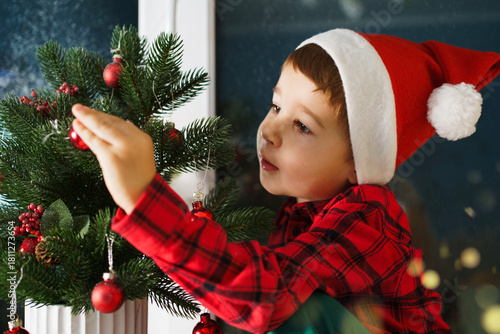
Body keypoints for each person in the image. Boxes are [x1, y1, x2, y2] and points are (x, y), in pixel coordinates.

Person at [71, 28, 500, 333]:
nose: (269, 130)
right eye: (276, 106)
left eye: (303, 127)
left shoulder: (366, 216)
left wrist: (147, 200)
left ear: (358, 162)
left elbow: (266, 297)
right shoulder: (304, 212)